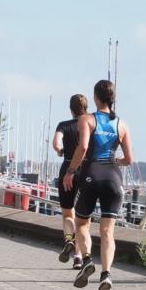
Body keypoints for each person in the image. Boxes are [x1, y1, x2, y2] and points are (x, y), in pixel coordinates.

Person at [62, 79, 134, 290]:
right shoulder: (121, 124)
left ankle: (86, 261)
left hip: (91, 174)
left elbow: (83, 147)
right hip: (113, 177)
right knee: (107, 232)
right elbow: (129, 159)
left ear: (95, 97)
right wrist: (115, 162)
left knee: (82, 223)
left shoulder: (87, 119)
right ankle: (107, 275)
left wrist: (70, 171)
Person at [53, 94, 88, 268]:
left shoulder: (63, 125)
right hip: (86, 170)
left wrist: (60, 151)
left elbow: (56, 143)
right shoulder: (90, 124)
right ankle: (79, 257)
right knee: (83, 219)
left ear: (70, 108)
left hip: (67, 168)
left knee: (68, 213)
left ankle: (69, 240)